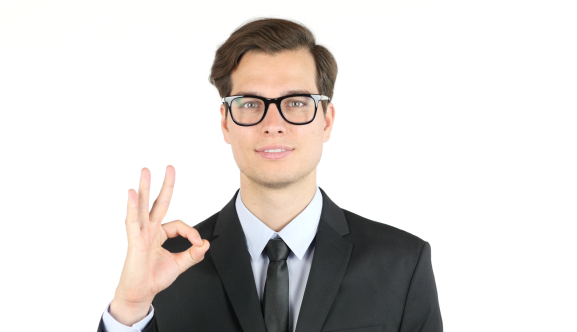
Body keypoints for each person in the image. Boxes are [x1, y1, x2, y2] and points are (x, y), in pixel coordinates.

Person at [97, 18, 442, 332]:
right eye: (250, 103)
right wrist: (130, 308)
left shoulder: (402, 265)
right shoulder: (169, 266)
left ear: (327, 120)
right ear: (225, 122)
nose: (273, 125)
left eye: (296, 102)